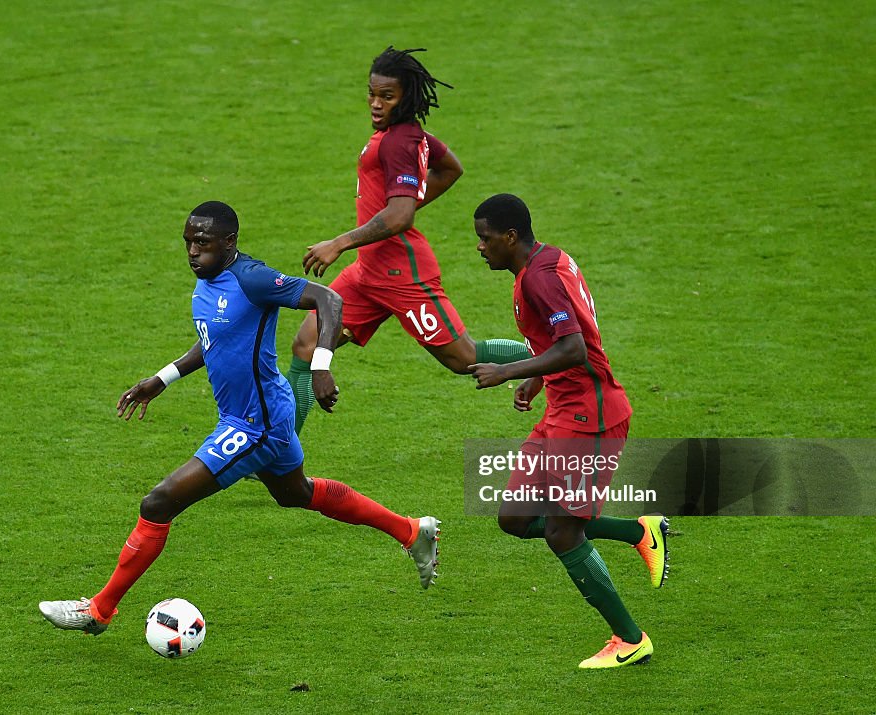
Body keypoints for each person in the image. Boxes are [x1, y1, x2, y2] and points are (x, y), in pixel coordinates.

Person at [39, 201, 441, 636]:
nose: (193, 252)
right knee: (295, 493)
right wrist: (163, 378)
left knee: (158, 503)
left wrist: (322, 364)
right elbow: (215, 339)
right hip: (265, 410)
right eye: (188, 242)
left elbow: (329, 298)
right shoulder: (208, 281)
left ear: (229, 242)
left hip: (255, 423)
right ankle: (411, 530)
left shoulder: (252, 279)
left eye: (203, 243)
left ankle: (98, 611)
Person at [467, 193, 669, 669]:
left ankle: (630, 638)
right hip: (562, 409)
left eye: (485, 238)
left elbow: (575, 348)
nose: (479, 247)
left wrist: (511, 370)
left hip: (591, 418)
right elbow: (559, 337)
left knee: (561, 530)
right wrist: (538, 380)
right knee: (514, 517)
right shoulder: (548, 260)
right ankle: (639, 530)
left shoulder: (538, 279)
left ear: (510, 237)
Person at [286, 46, 529, 433]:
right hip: (368, 272)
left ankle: (545, 357)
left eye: (387, 96)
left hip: (403, 274)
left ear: (407, 97)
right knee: (307, 343)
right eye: (372, 93)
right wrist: (409, 201)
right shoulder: (407, 135)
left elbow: (400, 215)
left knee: (463, 359)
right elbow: (449, 169)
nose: (375, 103)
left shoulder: (399, 142)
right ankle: (281, 452)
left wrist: (340, 242)